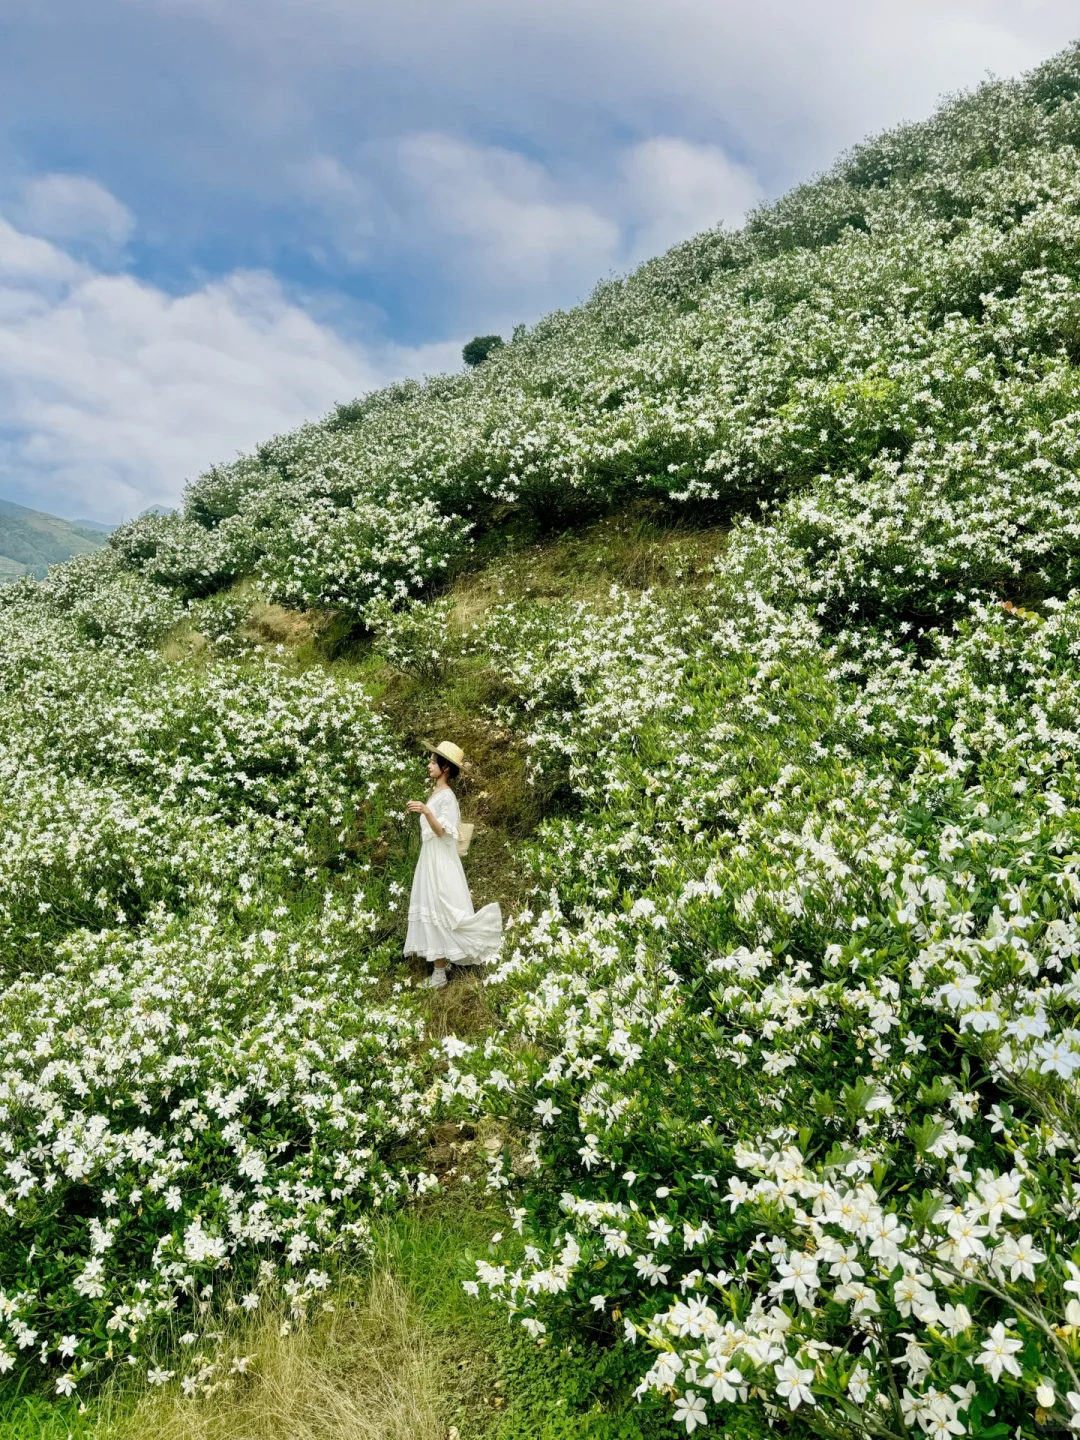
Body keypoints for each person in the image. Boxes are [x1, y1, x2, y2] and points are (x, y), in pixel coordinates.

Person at [403, 740, 503, 989]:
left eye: (434, 762)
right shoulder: (437, 793)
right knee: (435, 909)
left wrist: (426, 812)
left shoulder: (447, 796)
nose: (429, 765)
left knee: (441, 909)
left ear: (445, 768)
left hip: (440, 861)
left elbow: (442, 832)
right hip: (431, 858)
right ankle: (442, 962)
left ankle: (439, 976)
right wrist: (425, 809)